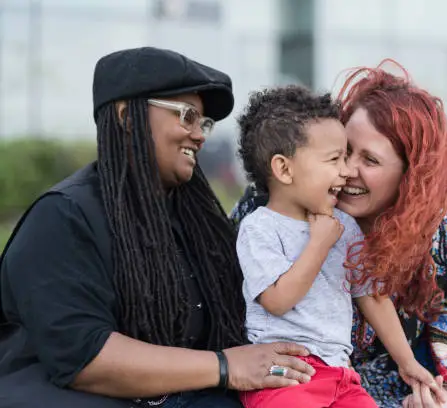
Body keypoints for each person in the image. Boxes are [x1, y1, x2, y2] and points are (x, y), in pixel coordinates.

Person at [0, 47, 315, 408]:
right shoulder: (62, 217)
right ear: (126, 116)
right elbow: (86, 358)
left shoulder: (194, 219)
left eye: (204, 123)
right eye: (187, 116)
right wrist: (225, 365)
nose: (200, 135)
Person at [231, 60, 447, 408]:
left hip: (349, 386)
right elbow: (265, 303)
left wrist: (426, 386)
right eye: (342, 154)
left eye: (370, 161)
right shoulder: (262, 215)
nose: (347, 172)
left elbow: (441, 367)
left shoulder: (442, 244)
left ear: (411, 176)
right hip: (285, 380)